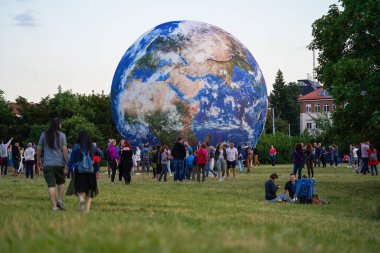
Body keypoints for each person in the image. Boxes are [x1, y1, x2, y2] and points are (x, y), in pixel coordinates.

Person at [37, 118, 69, 211]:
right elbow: (65, 150)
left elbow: (39, 149)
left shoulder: (44, 135)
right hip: (60, 164)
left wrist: (38, 159)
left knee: (51, 185)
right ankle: (59, 200)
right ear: (58, 125)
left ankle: (54, 207)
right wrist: (67, 162)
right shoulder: (62, 135)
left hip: (48, 164)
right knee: (61, 182)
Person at [66, 130, 98, 212]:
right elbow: (101, 153)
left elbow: (71, 159)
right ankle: (87, 209)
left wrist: (67, 167)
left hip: (79, 170)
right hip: (90, 170)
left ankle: (81, 199)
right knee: (89, 190)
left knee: (78, 187)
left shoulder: (76, 146)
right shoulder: (91, 146)